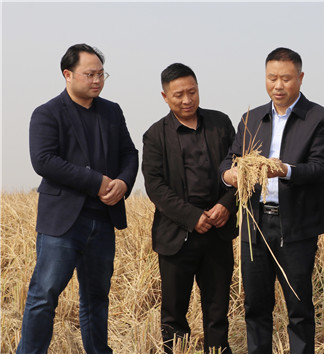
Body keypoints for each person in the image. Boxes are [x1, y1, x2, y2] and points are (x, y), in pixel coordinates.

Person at [17, 44, 139, 353]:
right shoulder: (47, 113)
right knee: (44, 296)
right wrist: (97, 182)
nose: (97, 80)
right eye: (90, 74)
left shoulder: (112, 111)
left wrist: (124, 182)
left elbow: (129, 153)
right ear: (67, 74)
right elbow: (43, 160)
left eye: (101, 74)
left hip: (103, 219)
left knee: (96, 298)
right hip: (63, 222)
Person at [220, 47, 324, 354]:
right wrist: (230, 176)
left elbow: (318, 167)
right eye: (272, 78)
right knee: (255, 307)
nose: (278, 85)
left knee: (299, 309)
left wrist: (284, 169)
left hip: (296, 227)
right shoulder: (251, 118)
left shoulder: (320, 118)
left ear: (300, 77)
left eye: (286, 78)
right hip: (255, 227)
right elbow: (229, 160)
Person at [142, 63, 237, 353]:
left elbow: (239, 169)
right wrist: (192, 216)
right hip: (177, 236)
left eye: (192, 92)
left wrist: (225, 205)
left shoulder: (221, 124)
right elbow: (155, 187)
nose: (187, 100)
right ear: (165, 97)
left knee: (217, 310)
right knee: (173, 314)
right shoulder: (155, 135)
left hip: (218, 231)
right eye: (179, 95)